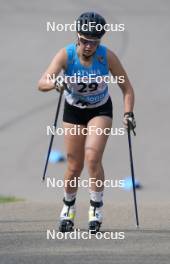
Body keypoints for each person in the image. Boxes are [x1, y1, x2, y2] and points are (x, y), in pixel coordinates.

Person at [38, 12, 136, 233]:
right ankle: (68, 208)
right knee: (74, 165)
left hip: (100, 109)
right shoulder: (66, 55)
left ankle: (95, 209)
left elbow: (127, 88)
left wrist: (128, 113)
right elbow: (41, 82)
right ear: (77, 36)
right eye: (85, 40)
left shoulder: (107, 57)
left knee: (92, 158)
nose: (89, 46)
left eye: (94, 41)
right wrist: (55, 82)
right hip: (74, 111)